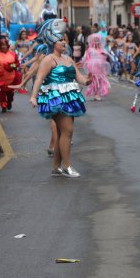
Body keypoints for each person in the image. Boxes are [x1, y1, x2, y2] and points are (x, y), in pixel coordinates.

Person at [30, 19, 92, 178]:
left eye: (64, 39)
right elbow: (38, 79)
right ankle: (67, 165)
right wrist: (33, 96)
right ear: (52, 42)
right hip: (55, 99)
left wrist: (87, 80)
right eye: (60, 40)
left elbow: (79, 78)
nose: (64, 42)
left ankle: (56, 167)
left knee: (61, 132)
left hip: (69, 97)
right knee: (68, 131)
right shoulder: (48, 59)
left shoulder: (69, 59)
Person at [0, 38, 20, 112]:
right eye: (2, 45)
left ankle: (9, 102)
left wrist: (11, 66)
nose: (3, 47)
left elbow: (17, 64)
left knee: (10, 94)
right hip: (1, 78)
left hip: (11, 77)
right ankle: (3, 106)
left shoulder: (13, 54)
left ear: (7, 45)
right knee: (2, 93)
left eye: (5, 45)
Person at [81, 33, 110, 101]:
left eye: (98, 40)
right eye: (95, 40)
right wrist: (81, 62)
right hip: (93, 66)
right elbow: (85, 57)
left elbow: (107, 55)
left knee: (100, 80)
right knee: (95, 80)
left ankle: (98, 92)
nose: (96, 42)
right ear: (92, 41)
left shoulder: (102, 49)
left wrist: (105, 55)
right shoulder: (90, 49)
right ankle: (96, 93)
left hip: (101, 67)